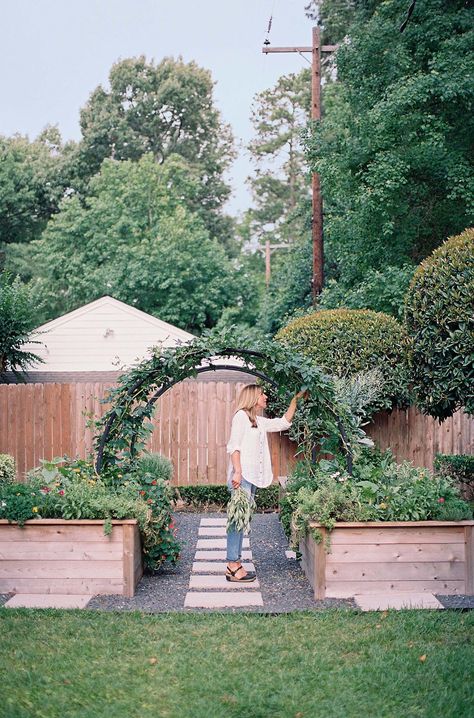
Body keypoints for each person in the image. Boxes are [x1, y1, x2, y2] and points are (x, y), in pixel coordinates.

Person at [225, 384, 306, 582]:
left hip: (249, 476)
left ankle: (234, 563)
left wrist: (295, 400)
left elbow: (284, 423)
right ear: (253, 396)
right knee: (238, 520)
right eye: (262, 393)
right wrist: (237, 472)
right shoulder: (241, 417)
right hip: (241, 476)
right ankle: (232, 565)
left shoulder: (258, 421)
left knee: (242, 520)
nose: (265, 396)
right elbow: (234, 447)